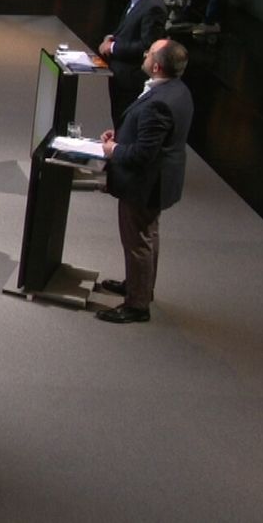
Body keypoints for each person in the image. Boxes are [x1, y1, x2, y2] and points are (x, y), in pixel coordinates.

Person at [96, 39, 193, 324]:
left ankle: (136, 305)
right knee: (148, 235)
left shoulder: (159, 103)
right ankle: (140, 287)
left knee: (138, 240)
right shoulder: (177, 90)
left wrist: (115, 150)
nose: (145, 54)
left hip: (144, 184)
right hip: (157, 181)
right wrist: (121, 135)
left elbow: (142, 154)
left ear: (157, 65)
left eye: (149, 52)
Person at [98, 0, 167, 128]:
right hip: (120, 74)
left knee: (125, 123)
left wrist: (113, 47)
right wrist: (112, 37)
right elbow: (129, 29)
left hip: (131, 79)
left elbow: (147, 45)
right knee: (118, 121)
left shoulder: (153, 6)